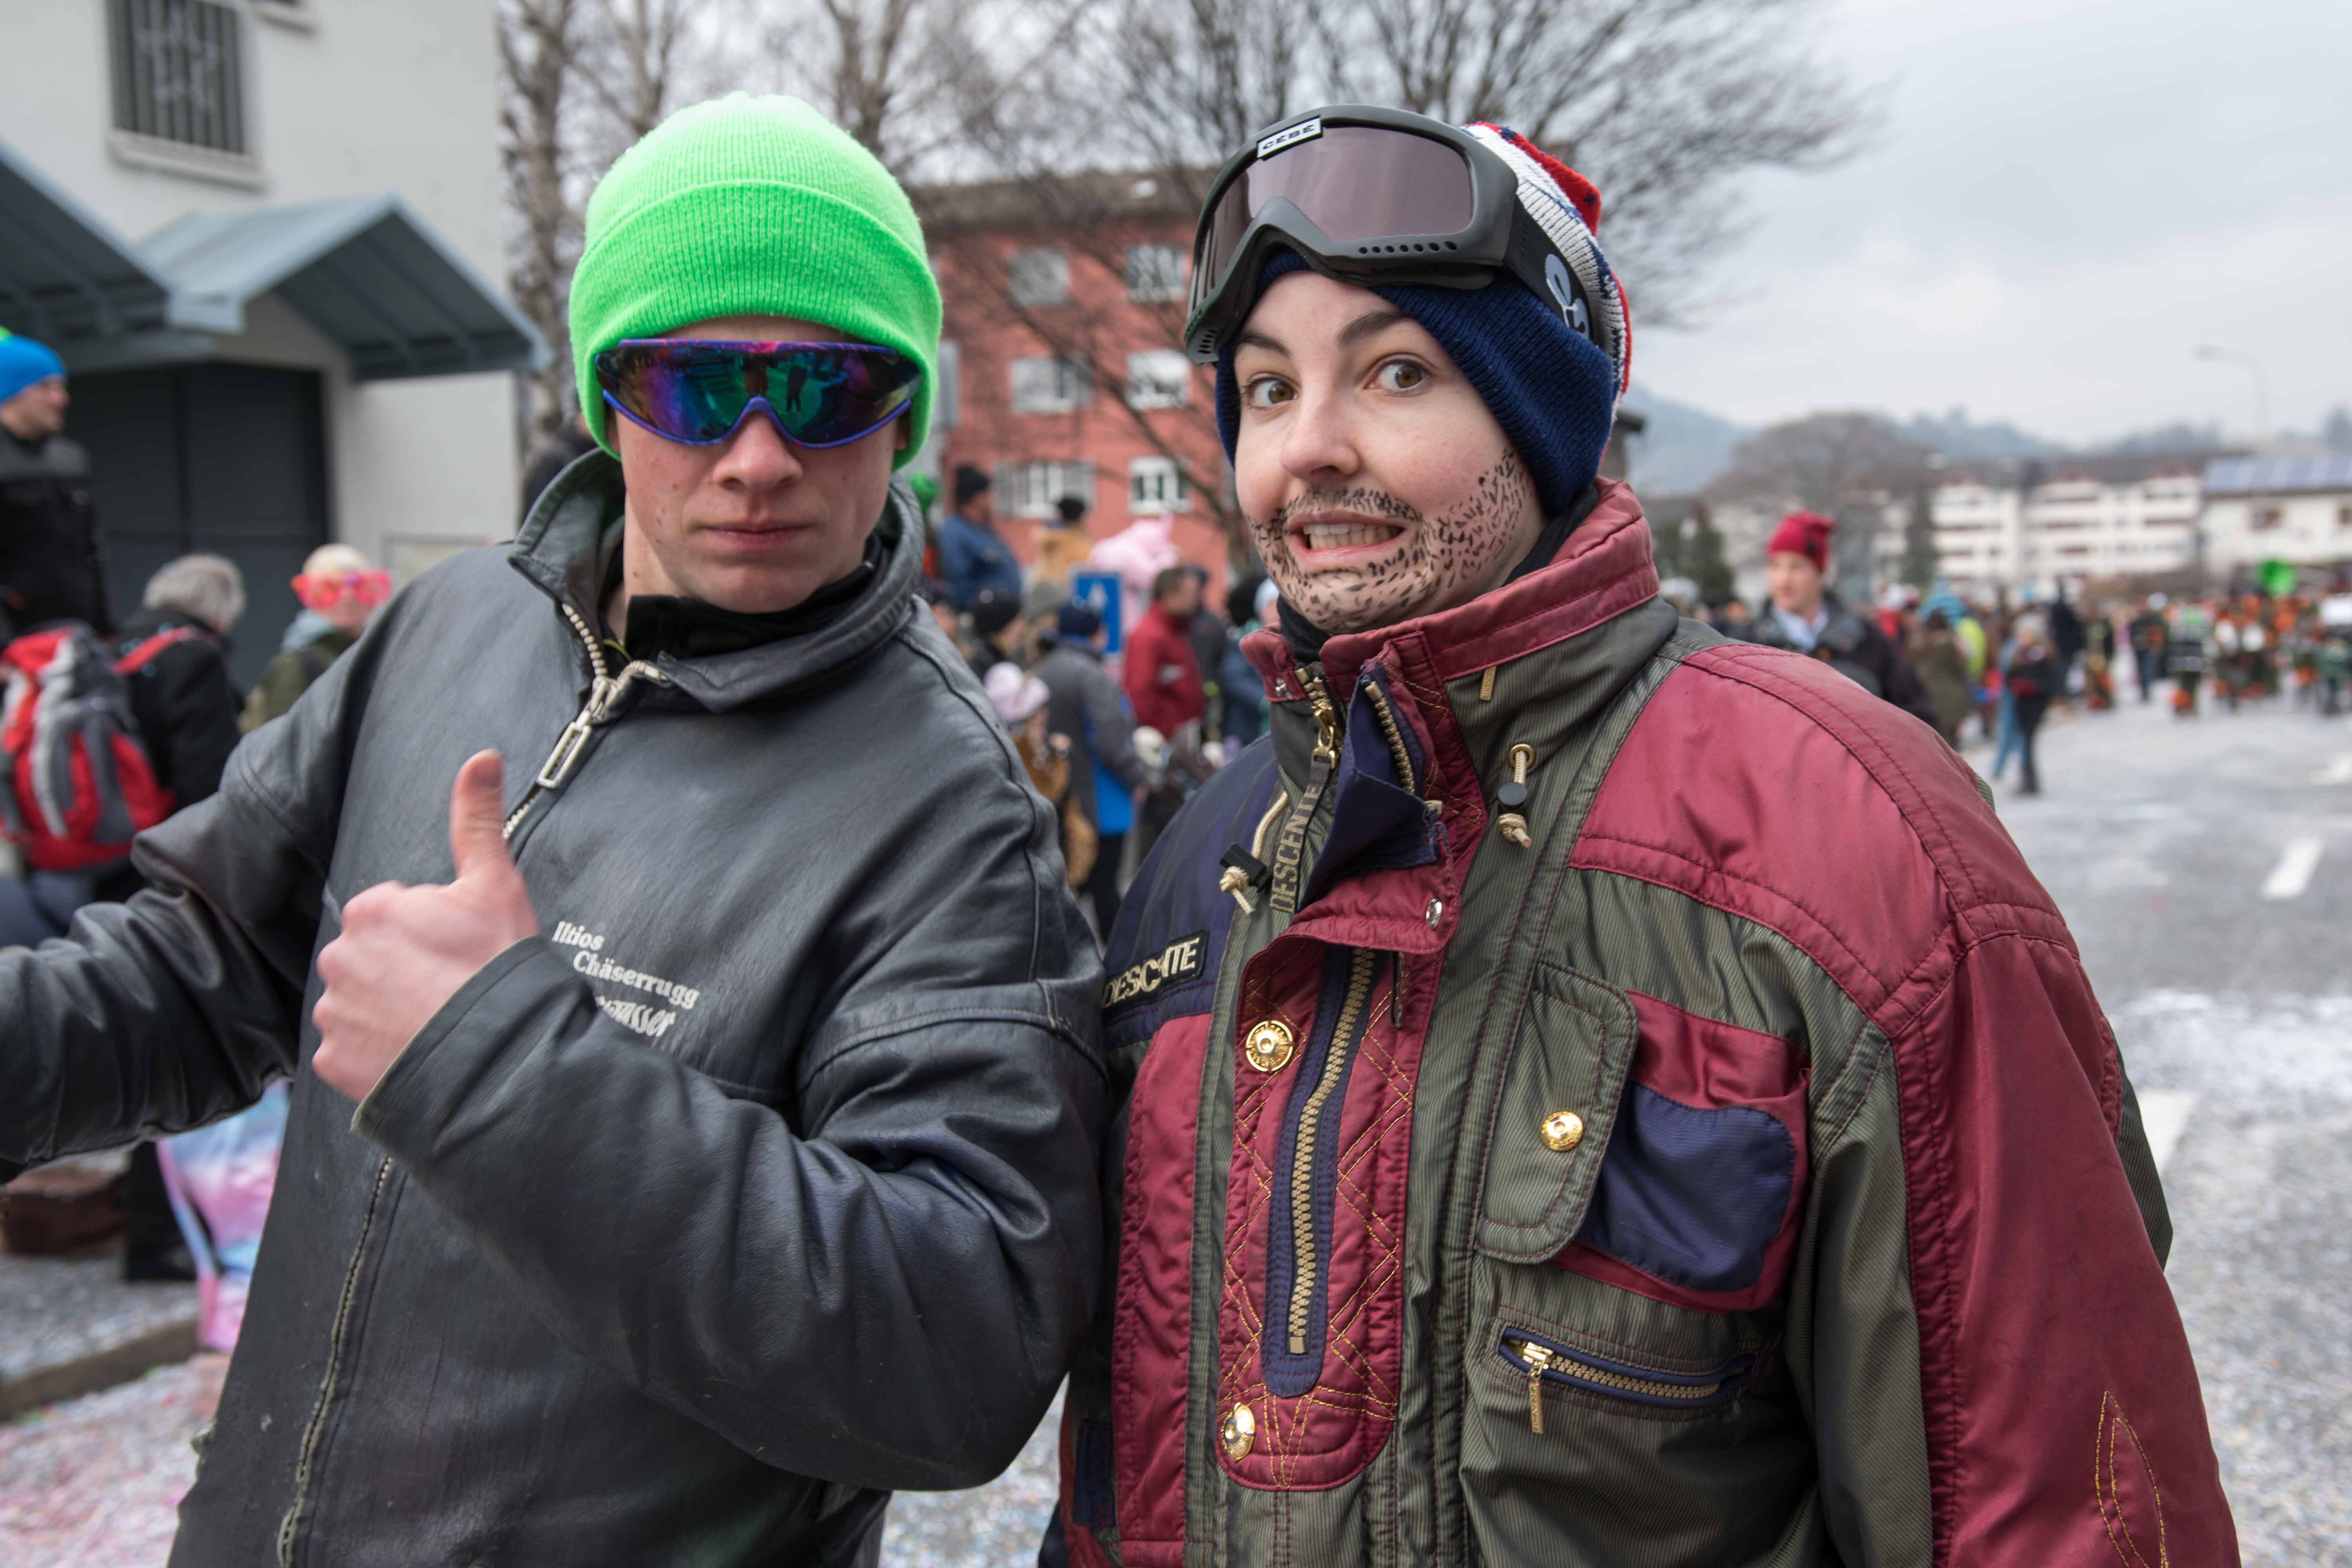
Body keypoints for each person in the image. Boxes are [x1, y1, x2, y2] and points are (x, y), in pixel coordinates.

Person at [1046, 105, 2231, 1568]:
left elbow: (2048, 1500)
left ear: (1539, 419)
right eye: (1266, 388)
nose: (1311, 448)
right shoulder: (1207, 855)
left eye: (1396, 372)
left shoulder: (1853, 830)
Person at [0, 94, 1103, 1566]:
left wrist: (500, 1067)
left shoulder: (949, 812)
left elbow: (954, 1350)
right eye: (692, 387)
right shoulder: (452, 622)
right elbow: (198, 967)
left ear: (903, 415)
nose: (759, 455)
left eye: (827, 387)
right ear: (605, 397)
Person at [1737, 511, 1940, 726]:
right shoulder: (1745, 644)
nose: (1783, 579)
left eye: (1796, 567)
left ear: (1820, 573)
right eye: (1775, 566)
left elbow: (1916, 718)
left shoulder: (1867, 641)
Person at [1034, 601, 1148, 936]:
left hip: (1061, 795)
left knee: (1074, 882)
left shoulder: (1043, 670)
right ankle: (1118, 956)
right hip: (1103, 797)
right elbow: (1112, 743)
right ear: (1097, 632)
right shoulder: (1092, 676)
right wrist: (1138, 777)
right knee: (1105, 884)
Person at [0, 328, 110, 636]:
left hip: (75, 631)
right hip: (16, 641)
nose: (60, 400)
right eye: (46, 388)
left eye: (61, 388)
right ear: (11, 392)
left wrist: (104, 627)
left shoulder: (71, 459)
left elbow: (92, 552)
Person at [241, 544, 390, 731]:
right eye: (330, 589)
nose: (348, 596)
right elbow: (285, 737)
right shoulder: (294, 664)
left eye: (359, 586)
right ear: (311, 597)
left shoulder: (384, 652)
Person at [1122, 563, 1206, 738]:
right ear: (1169, 597)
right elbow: (1141, 696)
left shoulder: (1175, 631)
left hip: (1181, 736)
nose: (1196, 601)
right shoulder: (1149, 636)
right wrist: (1169, 733)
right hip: (1166, 740)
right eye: (1190, 594)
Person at [938, 461, 1021, 609]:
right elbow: (958, 585)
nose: (993, 499)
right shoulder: (955, 533)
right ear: (976, 498)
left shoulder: (985, 530)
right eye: (988, 494)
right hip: (982, 616)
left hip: (1004, 614)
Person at [2004, 612, 2063, 795]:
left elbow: (2050, 682)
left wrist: (2031, 686)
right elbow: (2009, 677)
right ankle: (2027, 778)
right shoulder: (2018, 655)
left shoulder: (2043, 655)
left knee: (2028, 743)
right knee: (2024, 743)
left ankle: (2030, 780)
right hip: (2021, 704)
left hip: (2035, 705)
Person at [1909, 605, 1974, 745]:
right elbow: (1959, 667)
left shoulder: (1919, 643)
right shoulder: (1950, 643)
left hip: (1925, 695)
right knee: (1951, 741)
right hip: (1950, 695)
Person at [1034, 493, 1095, 583]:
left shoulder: (1050, 537)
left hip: (1048, 585)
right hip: (1063, 587)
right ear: (1080, 517)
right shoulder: (1076, 541)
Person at [2128, 593, 2169, 701]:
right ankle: (2144, 690)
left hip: (2149, 647)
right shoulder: (2135, 616)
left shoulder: (2152, 617)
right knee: (2141, 669)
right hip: (2138, 648)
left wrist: (2157, 644)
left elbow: (2160, 630)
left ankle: (2146, 691)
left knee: (2148, 669)